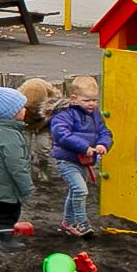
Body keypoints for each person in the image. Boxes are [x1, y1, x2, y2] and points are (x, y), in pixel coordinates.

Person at [46, 76, 115, 236]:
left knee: (75, 191)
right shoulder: (64, 114)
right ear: (74, 99)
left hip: (83, 161)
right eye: (87, 100)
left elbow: (104, 132)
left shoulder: (95, 115)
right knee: (80, 190)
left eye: (95, 100)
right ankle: (82, 223)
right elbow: (61, 134)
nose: (92, 104)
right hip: (67, 160)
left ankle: (67, 223)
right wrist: (84, 147)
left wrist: (103, 144)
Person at [0, 85, 37, 247]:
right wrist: (27, 188)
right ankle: (6, 241)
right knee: (9, 213)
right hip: (5, 187)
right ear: (13, 113)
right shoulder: (10, 137)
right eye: (22, 107)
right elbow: (17, 167)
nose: (25, 110)